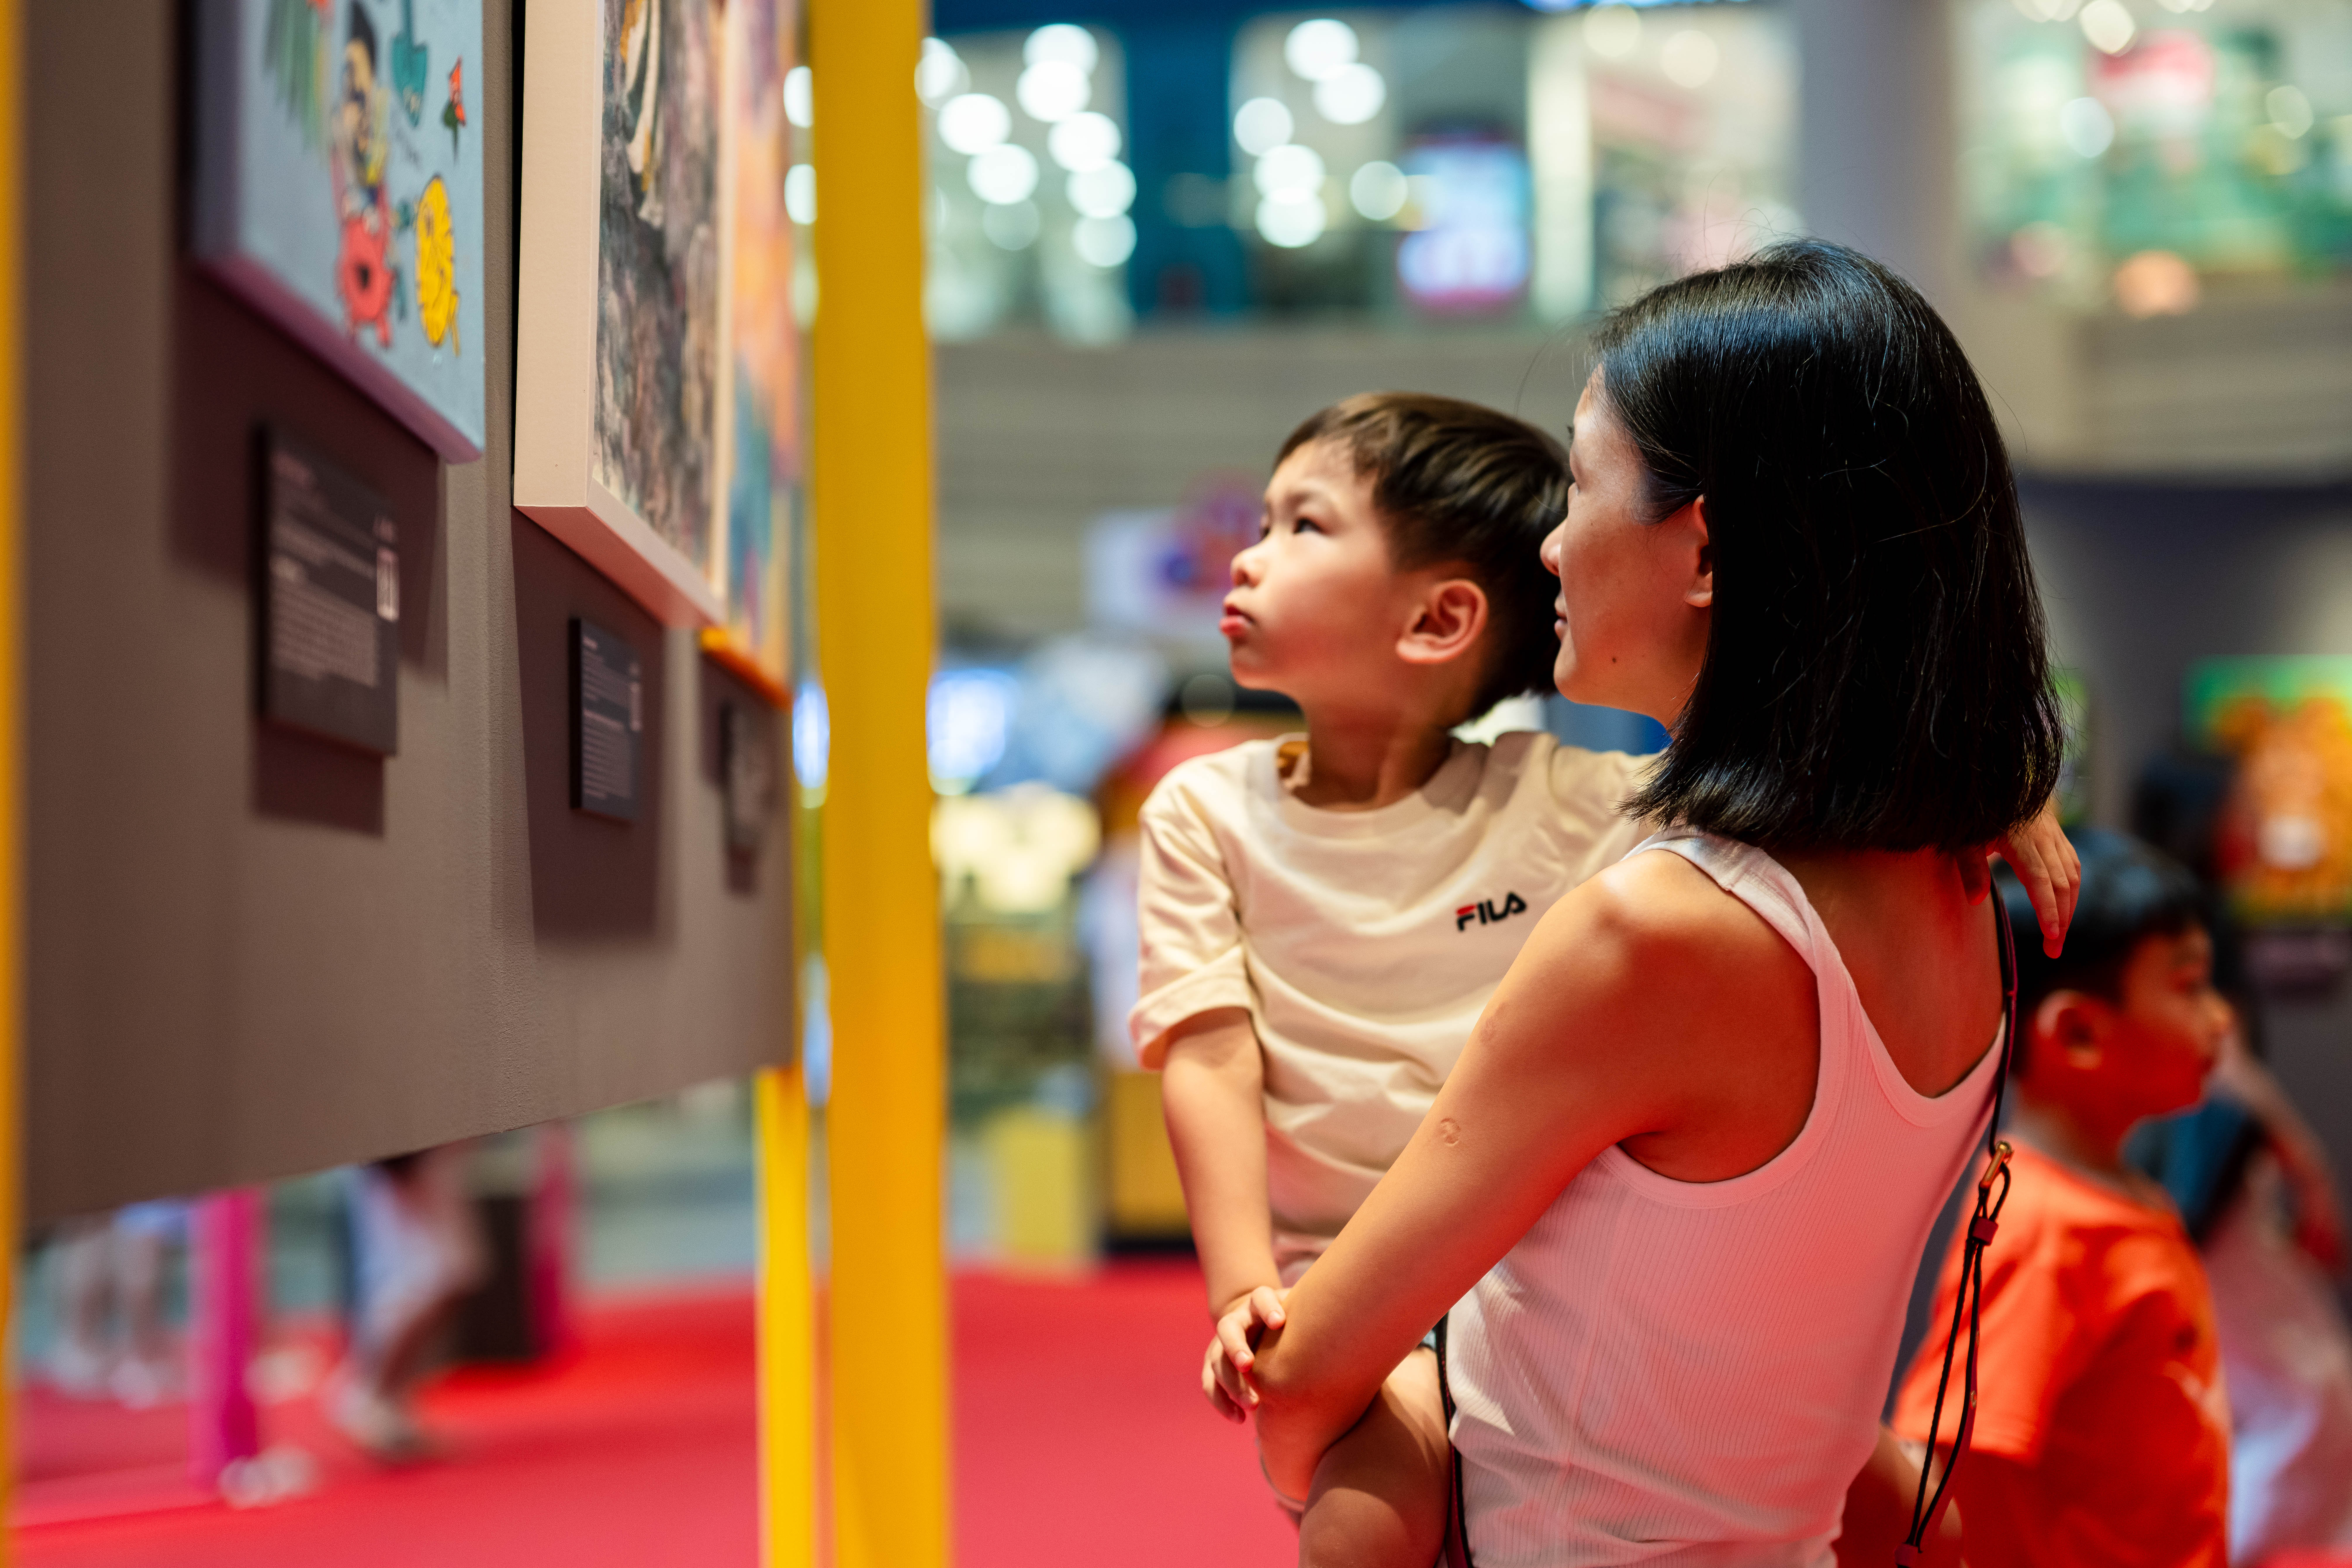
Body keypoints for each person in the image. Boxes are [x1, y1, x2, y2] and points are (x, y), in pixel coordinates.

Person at [1215, 240, 2076, 1568]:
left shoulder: (1657, 936)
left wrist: (1377, 1435)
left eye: (1575, 479)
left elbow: (1301, 1381)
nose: (1549, 543)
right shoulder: (1956, 894)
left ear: (1704, 547)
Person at [1133, 393, 1656, 1495]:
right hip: (1342, 1300)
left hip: (1547, 1284)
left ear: (1435, 620)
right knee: (1363, 1524)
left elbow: (1795, 794)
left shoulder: (1563, 800)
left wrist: (1982, 793)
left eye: (1301, 527)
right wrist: (1240, 1289)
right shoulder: (1203, 811)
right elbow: (1208, 1054)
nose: (1245, 558)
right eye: (1262, 522)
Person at [1892, 831, 2233, 1567]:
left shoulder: (2124, 1195)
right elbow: (1951, 1462)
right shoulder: (2043, 1231)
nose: (2221, 1017)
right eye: (2188, 986)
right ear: (2078, 1032)